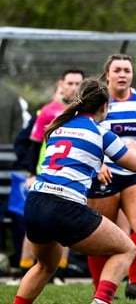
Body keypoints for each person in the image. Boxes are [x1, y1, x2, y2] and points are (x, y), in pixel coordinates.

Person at [12, 78, 136, 304]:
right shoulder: (101, 133)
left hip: (35, 203)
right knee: (126, 249)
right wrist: (133, 148)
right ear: (104, 106)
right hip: (65, 206)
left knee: (45, 266)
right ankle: (101, 301)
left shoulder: (58, 127)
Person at [87, 54, 136, 302]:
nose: (122, 75)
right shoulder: (97, 100)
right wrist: (97, 164)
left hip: (134, 171)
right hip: (104, 173)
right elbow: (85, 133)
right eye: (117, 70)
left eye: (127, 71)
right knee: (99, 233)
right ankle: (100, 289)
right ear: (107, 74)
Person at [14, 70, 85, 286]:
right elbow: (34, 144)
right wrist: (32, 173)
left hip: (73, 177)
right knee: (34, 224)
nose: (74, 87)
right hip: (46, 175)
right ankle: (24, 269)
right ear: (61, 84)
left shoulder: (85, 113)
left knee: (65, 225)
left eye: (78, 83)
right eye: (70, 83)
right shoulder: (48, 112)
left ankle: (60, 273)